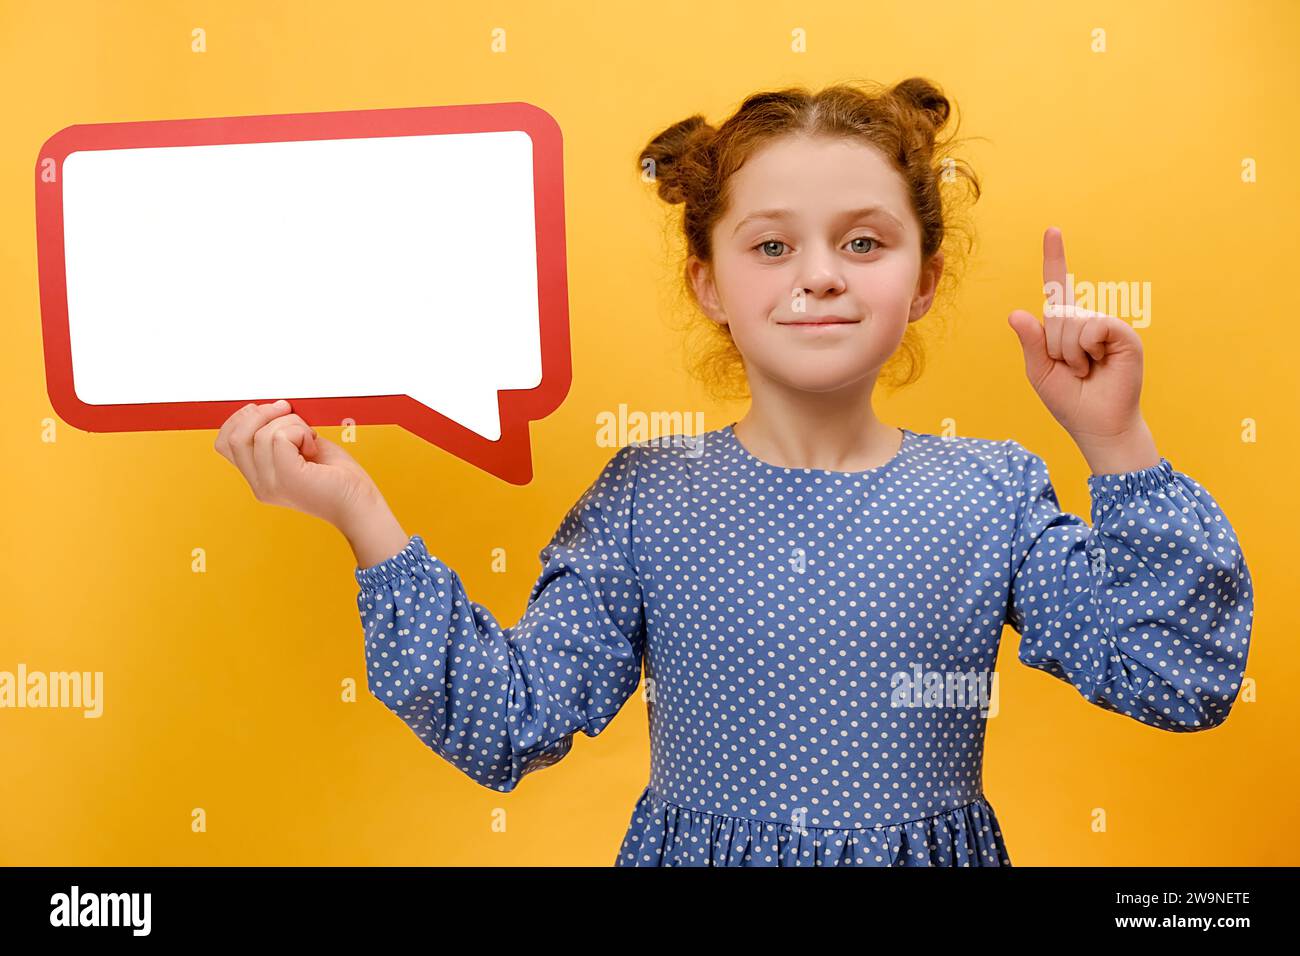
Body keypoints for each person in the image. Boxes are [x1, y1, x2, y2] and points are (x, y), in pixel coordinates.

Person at [214, 77, 1254, 866]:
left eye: (862, 240)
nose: (817, 274)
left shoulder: (992, 491)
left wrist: (1113, 440)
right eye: (770, 246)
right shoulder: (642, 495)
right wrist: (360, 512)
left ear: (924, 280)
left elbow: (1181, 680)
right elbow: (508, 718)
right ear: (706, 281)